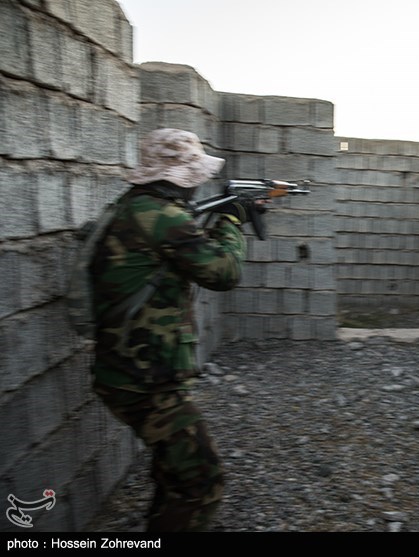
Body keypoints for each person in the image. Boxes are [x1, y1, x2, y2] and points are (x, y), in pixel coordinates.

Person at [90, 128, 257, 531]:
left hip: (134, 369)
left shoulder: (136, 206)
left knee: (175, 471)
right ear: (177, 175)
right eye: (194, 173)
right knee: (203, 479)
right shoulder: (161, 216)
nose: (199, 181)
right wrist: (233, 222)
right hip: (142, 377)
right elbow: (223, 272)